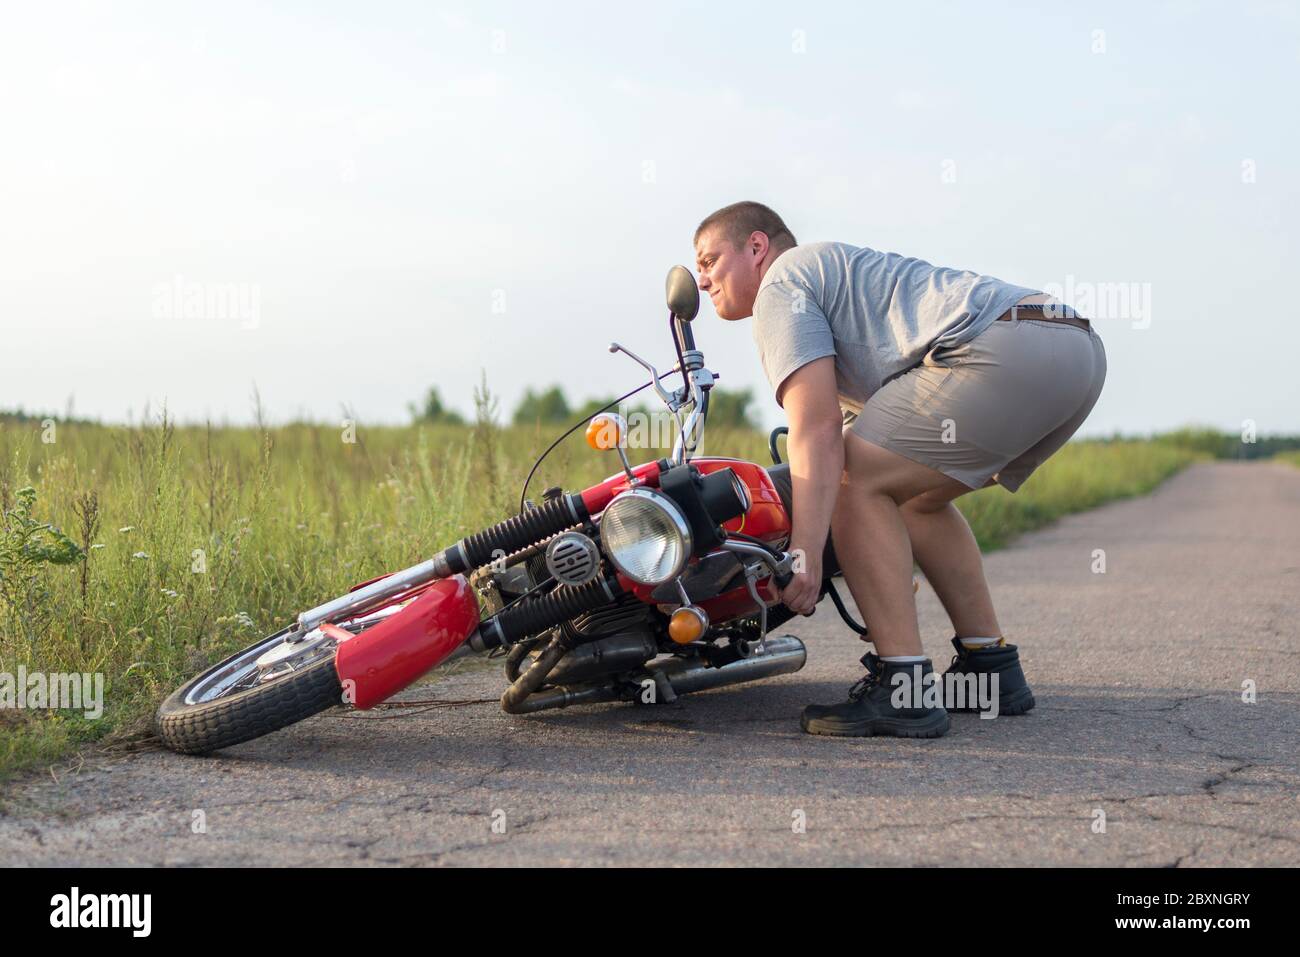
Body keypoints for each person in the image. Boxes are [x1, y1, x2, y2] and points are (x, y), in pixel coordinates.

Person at [693, 201, 1107, 738]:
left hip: (1008, 347)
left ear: (756, 248)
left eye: (709, 260)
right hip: (1072, 347)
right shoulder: (834, 275)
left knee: (851, 475)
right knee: (914, 497)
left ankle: (902, 686)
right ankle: (990, 670)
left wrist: (803, 557)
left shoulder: (782, 284)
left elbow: (816, 433)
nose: (702, 280)